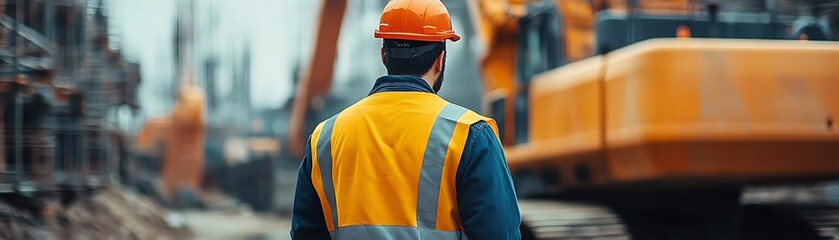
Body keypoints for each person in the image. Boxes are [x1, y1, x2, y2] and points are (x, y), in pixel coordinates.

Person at [290, 0, 521, 239]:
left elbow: (306, 232)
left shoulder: (325, 136)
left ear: (383, 55)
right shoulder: (470, 134)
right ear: (440, 59)